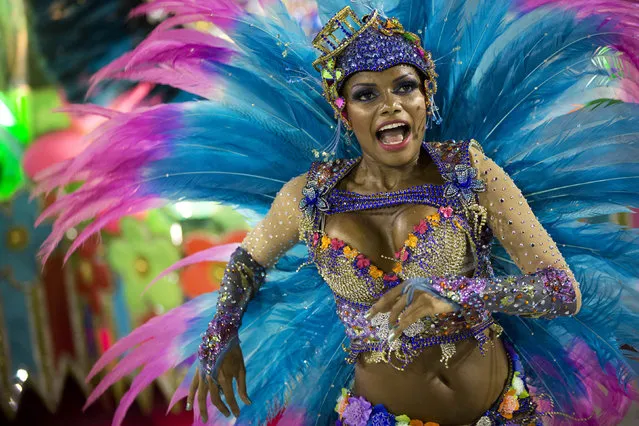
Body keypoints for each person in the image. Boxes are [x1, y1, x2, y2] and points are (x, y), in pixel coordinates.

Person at [34, 1, 638, 425]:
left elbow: (561, 292)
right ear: (343, 112)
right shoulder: (308, 197)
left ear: (428, 96)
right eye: (367, 95)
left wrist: (455, 293)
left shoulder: (469, 172)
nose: (390, 106)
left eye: (405, 86)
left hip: (500, 412)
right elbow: (248, 262)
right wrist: (222, 333)